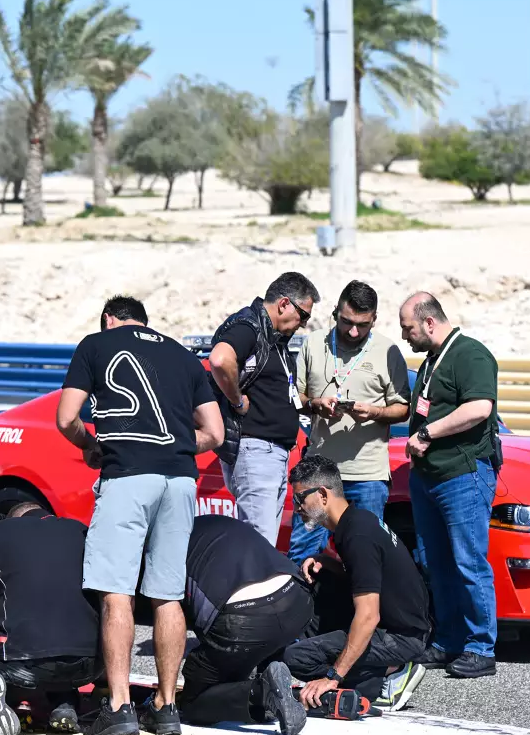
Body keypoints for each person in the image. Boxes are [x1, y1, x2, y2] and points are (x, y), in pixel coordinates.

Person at [56, 296, 223, 735]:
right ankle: (167, 707)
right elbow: (216, 432)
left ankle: (117, 705)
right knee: (168, 595)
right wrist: (178, 450)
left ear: (110, 318)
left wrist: (90, 446)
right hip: (180, 480)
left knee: (116, 592)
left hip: (128, 475)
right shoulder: (184, 356)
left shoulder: (96, 344)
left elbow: (65, 417)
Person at [400, 292, 501, 679]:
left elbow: (479, 408)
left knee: (468, 561)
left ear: (428, 322)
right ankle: (449, 640)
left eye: (408, 327)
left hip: (462, 474)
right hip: (428, 477)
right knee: (434, 561)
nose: (405, 335)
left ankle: (481, 647)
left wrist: (427, 432)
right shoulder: (429, 362)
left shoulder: (470, 355)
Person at [0, 502, 101, 735]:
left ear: (12, 519)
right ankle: (64, 706)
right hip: (89, 664)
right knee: (58, 665)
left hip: (21, 660)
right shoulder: (80, 530)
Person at [283, 456, 430, 713]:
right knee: (318, 583)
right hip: (398, 623)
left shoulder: (358, 535)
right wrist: (324, 562)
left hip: (401, 637)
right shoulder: (355, 521)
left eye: (300, 499)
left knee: (297, 659)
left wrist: (333, 677)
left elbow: (369, 615)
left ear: (322, 494)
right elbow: (366, 578)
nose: (297, 508)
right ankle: (367, 671)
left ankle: (389, 675)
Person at [288, 280, 411, 563]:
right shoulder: (313, 344)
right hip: (318, 474)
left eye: (363, 325)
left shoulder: (388, 351)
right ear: (335, 313)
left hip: (367, 474)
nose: (354, 331)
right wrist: (315, 405)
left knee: (365, 557)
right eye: (347, 322)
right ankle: (302, 607)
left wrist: (376, 412)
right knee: (302, 553)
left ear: (375, 320)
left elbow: (403, 408)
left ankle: (360, 609)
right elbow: (297, 398)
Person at [209, 272, 320, 546]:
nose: (303, 324)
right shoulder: (250, 326)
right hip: (256, 450)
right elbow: (221, 359)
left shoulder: (274, 338)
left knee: (265, 543)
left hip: (273, 453)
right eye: (303, 316)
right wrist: (237, 400)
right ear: (284, 304)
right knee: (259, 546)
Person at [178, 514, 312, 735]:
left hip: (245, 620)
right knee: (247, 647)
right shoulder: (213, 522)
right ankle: (272, 688)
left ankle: (262, 692)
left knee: (193, 703)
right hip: (296, 600)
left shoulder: (168, 547)